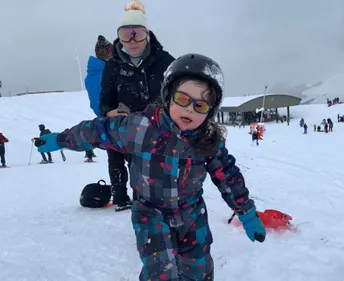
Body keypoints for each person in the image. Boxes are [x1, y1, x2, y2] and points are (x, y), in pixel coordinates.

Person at [35, 53, 266, 280]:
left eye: (200, 105)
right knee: (162, 271)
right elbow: (97, 131)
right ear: (168, 96)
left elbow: (227, 175)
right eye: (183, 99)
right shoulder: (140, 128)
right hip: (150, 214)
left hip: (192, 214)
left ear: (211, 110)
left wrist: (246, 211)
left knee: (199, 270)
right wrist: (60, 139)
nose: (189, 110)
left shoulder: (207, 141)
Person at [99, 0, 175, 210]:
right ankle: (120, 197)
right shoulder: (112, 67)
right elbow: (104, 101)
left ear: (147, 35)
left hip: (155, 127)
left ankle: (144, 200)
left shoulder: (165, 61)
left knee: (146, 165)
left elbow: (179, 93)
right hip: (123, 125)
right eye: (126, 35)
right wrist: (109, 111)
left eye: (138, 34)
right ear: (119, 37)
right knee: (115, 159)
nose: (132, 41)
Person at [84, 35, 113, 162]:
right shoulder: (108, 72)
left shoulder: (90, 75)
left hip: (102, 119)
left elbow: (94, 102)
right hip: (115, 118)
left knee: (114, 158)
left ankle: (117, 182)